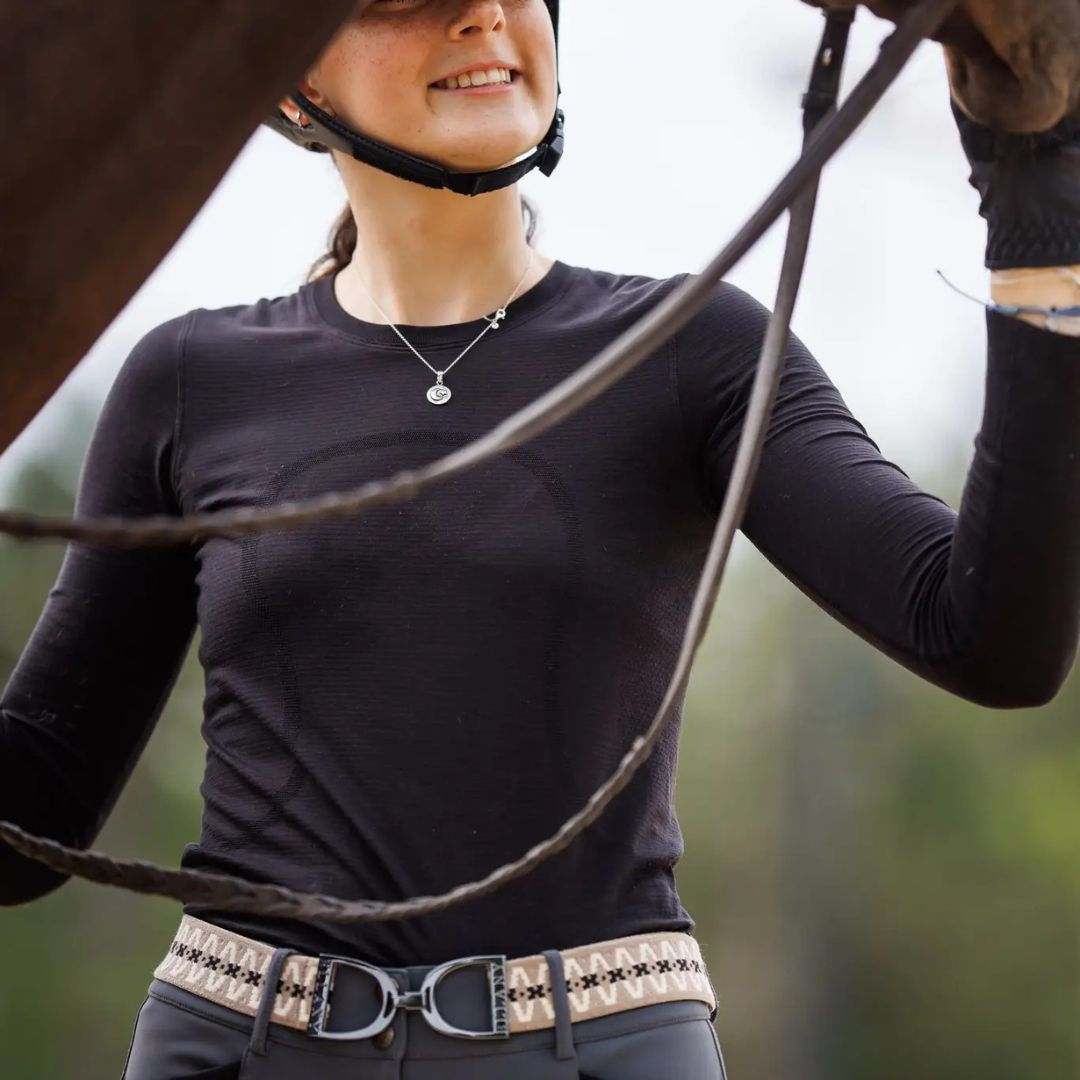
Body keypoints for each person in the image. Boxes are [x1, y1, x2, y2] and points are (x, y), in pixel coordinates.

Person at [2, 0, 1079, 1077]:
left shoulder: (696, 354)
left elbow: (993, 642)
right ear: (292, 83)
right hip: (234, 1044)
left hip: (601, 1048)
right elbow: (32, 811)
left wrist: (1038, 212)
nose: (482, 15)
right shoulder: (190, 381)